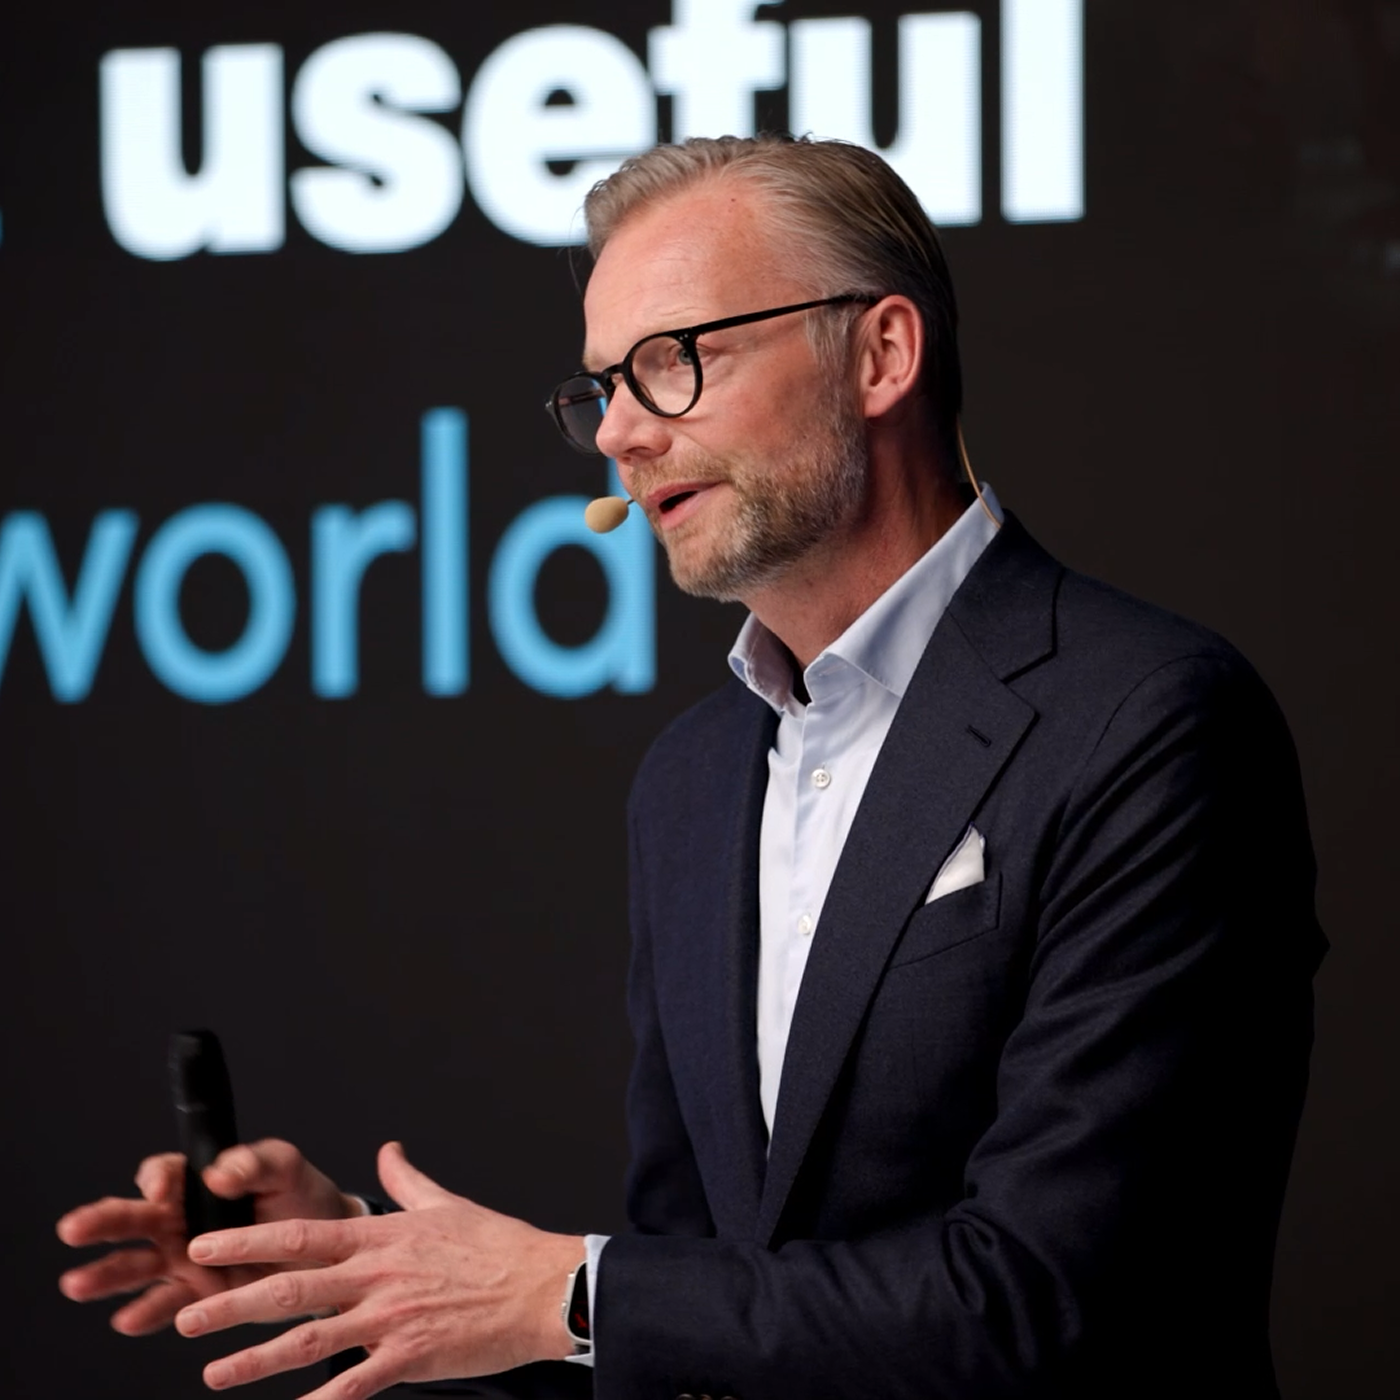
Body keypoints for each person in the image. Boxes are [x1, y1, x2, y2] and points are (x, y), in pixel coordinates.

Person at [57, 135, 1325, 1400]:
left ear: (879, 353)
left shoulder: (1146, 718)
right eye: (601, 384)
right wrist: (366, 1276)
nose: (616, 432)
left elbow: (1053, 1300)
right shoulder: (691, 778)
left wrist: (562, 1287)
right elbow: (696, 1336)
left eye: (672, 362)